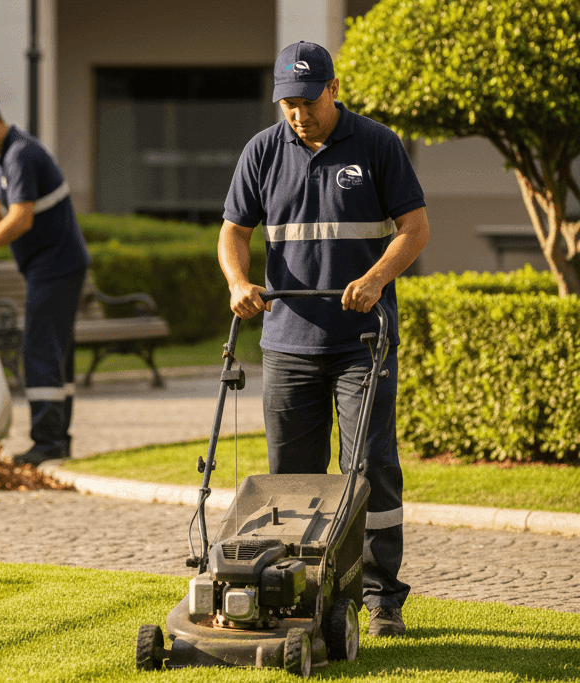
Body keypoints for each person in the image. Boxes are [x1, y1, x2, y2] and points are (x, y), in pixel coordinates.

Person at [217, 41, 430, 637]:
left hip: (363, 340)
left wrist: (375, 277)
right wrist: (239, 281)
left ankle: (382, 596)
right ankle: (296, 589)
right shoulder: (262, 151)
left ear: (334, 88)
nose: (299, 115)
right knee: (289, 476)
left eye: (308, 101)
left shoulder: (377, 145)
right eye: (288, 103)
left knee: (367, 467)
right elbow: (233, 231)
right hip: (287, 343)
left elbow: (415, 229)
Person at [0, 94, 90, 466]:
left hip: (56, 266)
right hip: (50, 266)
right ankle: (58, 438)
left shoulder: (21, 154)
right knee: (55, 351)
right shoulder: (2, 157)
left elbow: (20, 218)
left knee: (40, 349)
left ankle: (48, 441)